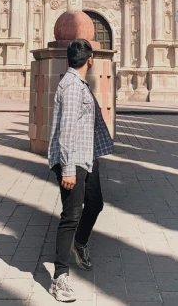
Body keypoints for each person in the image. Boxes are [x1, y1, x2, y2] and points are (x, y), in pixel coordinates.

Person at [47, 38, 114, 302]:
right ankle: (59, 278)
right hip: (72, 160)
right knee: (71, 216)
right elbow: (67, 130)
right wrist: (67, 169)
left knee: (95, 204)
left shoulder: (79, 84)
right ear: (90, 60)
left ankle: (80, 243)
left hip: (86, 157)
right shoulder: (73, 86)